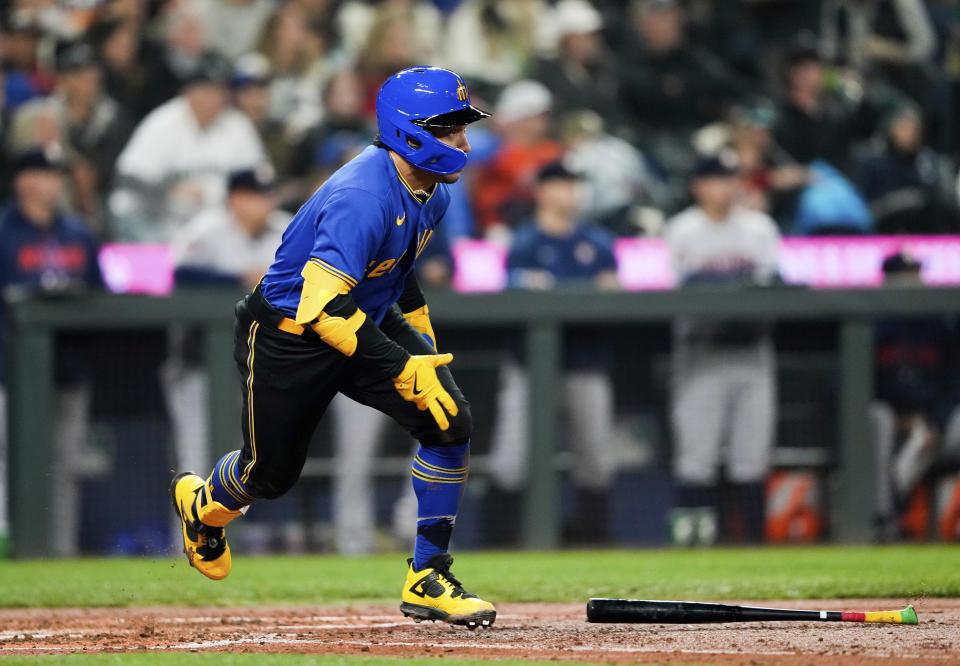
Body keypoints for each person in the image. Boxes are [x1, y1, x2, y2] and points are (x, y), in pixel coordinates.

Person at [170, 66, 496, 629]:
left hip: (363, 314)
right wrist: (399, 364)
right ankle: (203, 506)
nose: (462, 142)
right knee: (268, 477)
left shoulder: (431, 191)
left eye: (462, 127)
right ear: (409, 130)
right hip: (289, 332)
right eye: (448, 129)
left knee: (449, 420)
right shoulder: (362, 194)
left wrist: (422, 350)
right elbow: (320, 308)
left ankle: (428, 575)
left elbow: (400, 272)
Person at [486, 161, 619, 546]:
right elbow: (510, 298)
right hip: (528, 366)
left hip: (586, 362)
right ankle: (500, 543)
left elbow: (614, 296)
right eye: (562, 184)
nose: (571, 192)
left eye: (575, 185)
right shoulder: (524, 243)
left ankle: (593, 540)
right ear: (542, 190)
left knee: (596, 460)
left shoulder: (597, 241)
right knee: (511, 460)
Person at [664, 152, 780, 546]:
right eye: (716, 178)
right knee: (697, 455)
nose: (725, 185)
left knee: (751, 456)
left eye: (731, 177)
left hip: (752, 350)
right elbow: (674, 291)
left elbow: (775, 286)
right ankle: (693, 546)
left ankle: (754, 547)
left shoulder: (759, 227)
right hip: (701, 350)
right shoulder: (681, 229)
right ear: (698, 185)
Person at [0, 145, 103, 557]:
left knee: (64, 468)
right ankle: (10, 548)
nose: (54, 182)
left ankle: (58, 553)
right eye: (45, 173)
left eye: (58, 174)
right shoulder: (4, 231)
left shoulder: (78, 231)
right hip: (8, 369)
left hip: (67, 366)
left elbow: (100, 296)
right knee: (8, 464)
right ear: (22, 180)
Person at [108, 52, 266, 242]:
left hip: (216, 226)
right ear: (189, 92)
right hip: (158, 220)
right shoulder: (163, 122)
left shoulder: (237, 126)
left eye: (219, 90)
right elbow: (128, 177)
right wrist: (168, 190)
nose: (215, 98)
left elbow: (260, 179)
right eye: (207, 90)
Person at [870, 252, 960, 541]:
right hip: (894, 425)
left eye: (917, 274)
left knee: (928, 437)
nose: (915, 281)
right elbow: (862, 384)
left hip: (939, 425)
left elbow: (955, 383)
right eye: (906, 276)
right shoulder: (874, 326)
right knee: (877, 419)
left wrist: (936, 420)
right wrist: (903, 418)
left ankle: (891, 511)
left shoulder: (942, 325)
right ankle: (886, 517)